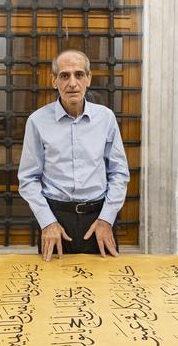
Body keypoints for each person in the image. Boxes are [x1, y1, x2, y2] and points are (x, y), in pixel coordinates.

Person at [17, 49, 130, 260]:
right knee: (52, 289)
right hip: (55, 221)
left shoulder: (106, 118)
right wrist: (47, 222)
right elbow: (28, 179)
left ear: (89, 78)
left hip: (99, 220)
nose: (72, 83)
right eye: (64, 75)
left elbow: (119, 173)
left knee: (103, 288)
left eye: (79, 75)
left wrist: (107, 219)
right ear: (54, 81)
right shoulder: (37, 121)